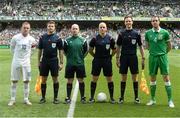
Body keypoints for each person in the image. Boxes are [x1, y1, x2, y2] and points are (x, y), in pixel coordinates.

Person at [145, 16, 175, 108]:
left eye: (156, 20)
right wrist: (154, 52)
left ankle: (170, 100)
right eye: (153, 21)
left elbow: (169, 46)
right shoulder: (148, 33)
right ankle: (153, 99)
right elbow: (147, 46)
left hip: (163, 57)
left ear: (159, 22)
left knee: (166, 78)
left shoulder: (165, 32)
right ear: (151, 22)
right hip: (153, 58)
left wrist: (163, 53)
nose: (154, 22)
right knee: (152, 78)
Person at [116, 15, 145, 104]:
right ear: (124, 23)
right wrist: (117, 58)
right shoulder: (121, 33)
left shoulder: (137, 34)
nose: (128, 22)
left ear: (132, 22)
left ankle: (136, 97)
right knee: (123, 78)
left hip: (133, 58)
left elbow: (140, 46)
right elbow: (118, 46)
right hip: (124, 58)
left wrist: (143, 57)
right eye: (126, 21)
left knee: (134, 78)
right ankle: (121, 97)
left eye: (129, 21)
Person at [8, 22, 36, 106]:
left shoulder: (32, 39)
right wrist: (17, 57)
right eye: (24, 27)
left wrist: (26, 57)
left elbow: (33, 50)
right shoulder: (15, 37)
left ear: (29, 29)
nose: (26, 29)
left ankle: (26, 99)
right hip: (16, 62)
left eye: (27, 28)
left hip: (26, 63)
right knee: (14, 81)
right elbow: (12, 48)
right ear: (21, 28)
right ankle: (12, 99)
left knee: (26, 81)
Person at [89, 22, 116, 104]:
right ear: (98, 28)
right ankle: (92, 98)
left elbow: (114, 50)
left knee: (109, 79)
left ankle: (111, 98)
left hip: (107, 60)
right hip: (97, 60)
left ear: (106, 28)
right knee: (94, 78)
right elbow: (90, 50)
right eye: (100, 27)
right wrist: (95, 56)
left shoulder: (110, 39)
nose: (102, 28)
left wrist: (110, 56)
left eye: (103, 27)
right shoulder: (94, 38)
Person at [38, 21, 63, 104]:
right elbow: (40, 50)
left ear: (54, 27)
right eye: (49, 26)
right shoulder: (42, 37)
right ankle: (43, 98)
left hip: (54, 60)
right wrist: (39, 61)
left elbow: (60, 51)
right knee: (43, 79)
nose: (50, 27)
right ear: (47, 27)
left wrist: (61, 62)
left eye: (52, 26)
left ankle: (55, 98)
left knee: (55, 79)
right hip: (44, 61)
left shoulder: (58, 38)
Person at [63, 24, 88, 104]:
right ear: (71, 30)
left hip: (80, 64)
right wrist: (69, 57)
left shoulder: (83, 40)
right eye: (73, 29)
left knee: (81, 80)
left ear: (78, 30)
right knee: (69, 80)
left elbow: (86, 51)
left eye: (76, 29)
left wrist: (81, 57)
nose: (74, 30)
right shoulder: (67, 40)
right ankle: (68, 97)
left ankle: (82, 97)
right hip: (70, 64)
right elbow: (64, 51)